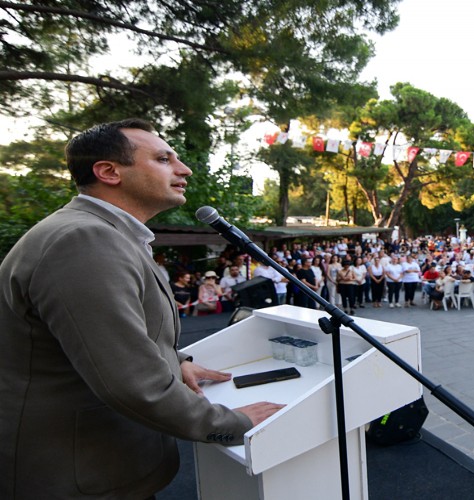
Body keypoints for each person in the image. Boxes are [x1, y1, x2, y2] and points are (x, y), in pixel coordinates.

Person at [0, 119, 283, 499]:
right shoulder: (84, 239)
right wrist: (231, 424)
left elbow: (111, 338)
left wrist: (175, 360)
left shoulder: (105, 233)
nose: (184, 169)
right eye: (164, 159)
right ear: (109, 172)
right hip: (79, 474)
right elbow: (132, 383)